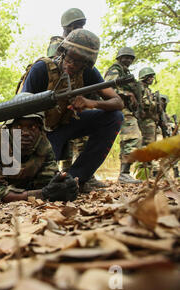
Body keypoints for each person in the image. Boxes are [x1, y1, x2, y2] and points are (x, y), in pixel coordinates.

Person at [20, 29, 124, 192]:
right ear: (63, 52)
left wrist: (91, 103)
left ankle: (77, 177)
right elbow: (21, 110)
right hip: (39, 133)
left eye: (79, 61)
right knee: (41, 184)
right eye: (69, 58)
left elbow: (118, 102)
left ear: (87, 63)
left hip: (64, 126)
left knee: (115, 117)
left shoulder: (88, 73)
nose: (72, 64)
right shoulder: (41, 69)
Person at [45, 8, 106, 191]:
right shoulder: (58, 43)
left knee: (75, 139)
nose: (80, 29)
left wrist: (91, 101)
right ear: (67, 27)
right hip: (54, 106)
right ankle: (57, 176)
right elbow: (57, 68)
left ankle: (78, 176)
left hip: (73, 104)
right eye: (76, 26)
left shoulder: (84, 51)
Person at [0, 111, 78, 203]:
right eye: (18, 127)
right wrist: (43, 194)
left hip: (21, 189)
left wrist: (63, 185)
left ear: (40, 130)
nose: (25, 133)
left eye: (33, 127)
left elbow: (47, 181)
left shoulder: (43, 143)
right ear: (9, 129)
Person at [104, 47, 142, 184]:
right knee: (133, 138)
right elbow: (107, 87)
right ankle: (124, 174)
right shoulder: (115, 69)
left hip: (127, 110)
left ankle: (124, 173)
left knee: (132, 139)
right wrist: (127, 94)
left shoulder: (125, 72)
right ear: (119, 58)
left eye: (130, 58)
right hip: (120, 108)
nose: (128, 60)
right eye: (125, 57)